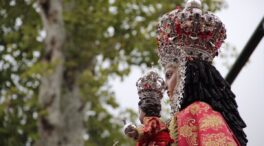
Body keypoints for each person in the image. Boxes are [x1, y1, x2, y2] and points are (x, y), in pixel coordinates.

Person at [155, 0, 247, 145]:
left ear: (187, 74)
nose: (165, 86)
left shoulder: (200, 111)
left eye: (169, 75)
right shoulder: (172, 123)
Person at [124, 71, 174, 146]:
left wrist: (137, 132)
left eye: (139, 111)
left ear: (143, 111)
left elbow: (148, 130)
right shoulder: (151, 124)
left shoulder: (153, 121)